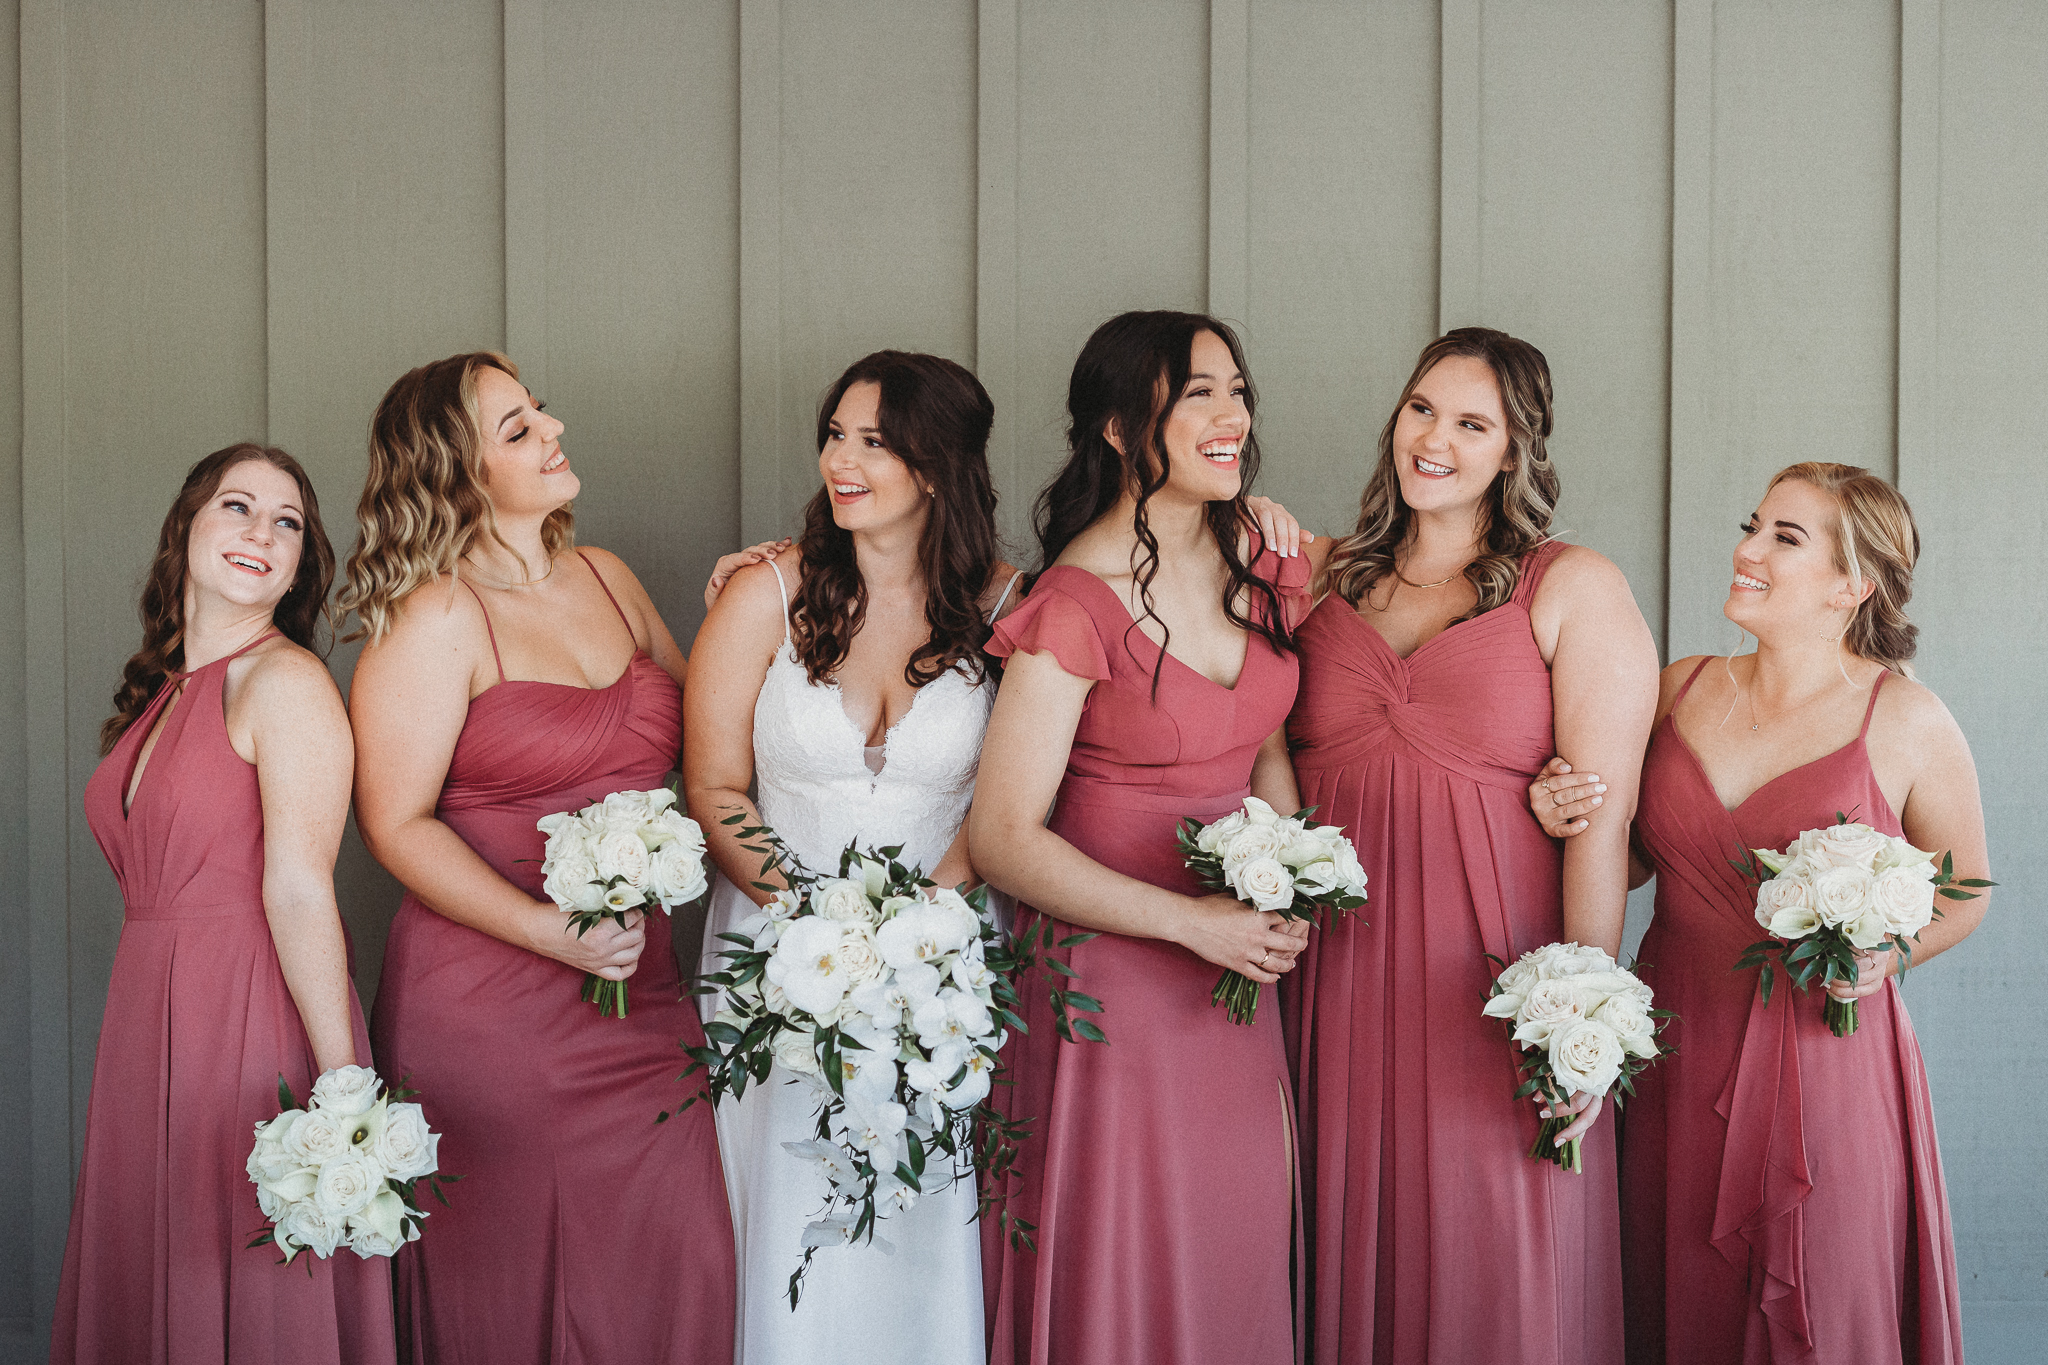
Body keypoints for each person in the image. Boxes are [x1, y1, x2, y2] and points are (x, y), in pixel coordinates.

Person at [1530, 463, 1983, 1364]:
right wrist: (1561, 815)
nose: (1747, 550)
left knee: (1817, 1309)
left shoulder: (1908, 720)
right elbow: (1621, 866)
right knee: (1671, 1300)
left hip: (1825, 1069)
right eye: (1754, 525)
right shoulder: (1680, 688)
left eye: (1786, 537)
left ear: (1853, 584)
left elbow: (1963, 887)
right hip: (1671, 1044)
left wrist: (1889, 957)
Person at [344, 352, 735, 1363]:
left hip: (638, 1001)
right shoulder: (435, 616)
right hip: (493, 1008)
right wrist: (547, 932)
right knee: (517, 1291)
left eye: (538, 410)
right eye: (515, 430)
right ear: (456, 473)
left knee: (676, 1258)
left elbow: (713, 736)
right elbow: (395, 823)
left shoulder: (607, 578)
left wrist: (760, 601)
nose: (551, 429)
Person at [1282, 327, 1658, 1364]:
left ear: (1512, 451)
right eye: (1419, 410)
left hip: (1494, 977)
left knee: (1496, 1248)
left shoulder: (1569, 584)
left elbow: (1599, 821)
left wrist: (1579, 1021)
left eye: (1468, 423)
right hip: (1332, 976)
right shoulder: (1314, 574)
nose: (1432, 440)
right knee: (1332, 1231)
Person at [969, 311, 1312, 1365]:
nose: (1230, 416)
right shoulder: (1074, 601)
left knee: (1232, 1237)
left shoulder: (1259, 554)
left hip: (1234, 975)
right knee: (1123, 1251)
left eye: (1235, 390)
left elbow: (1258, 742)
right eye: (1196, 394)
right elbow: (1001, 837)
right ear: (1122, 429)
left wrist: (1287, 865)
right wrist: (1187, 924)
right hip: (1106, 983)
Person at [685, 350, 1020, 1363]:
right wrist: (812, 921)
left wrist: (913, 932)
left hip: (945, 957)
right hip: (773, 956)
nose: (843, 458)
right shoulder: (764, 593)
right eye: (835, 433)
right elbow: (713, 785)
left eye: (873, 440)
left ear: (936, 464)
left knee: (923, 1208)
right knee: (788, 1205)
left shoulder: (1013, 608)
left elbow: (1012, 796)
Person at [53, 444, 394, 1365]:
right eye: (237, 507)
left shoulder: (284, 682)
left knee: (235, 1276)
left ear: (298, 566)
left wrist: (342, 1087)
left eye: (287, 522)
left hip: (242, 1017)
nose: (261, 532)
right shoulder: (165, 694)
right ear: (187, 530)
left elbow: (297, 885)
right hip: (149, 1013)